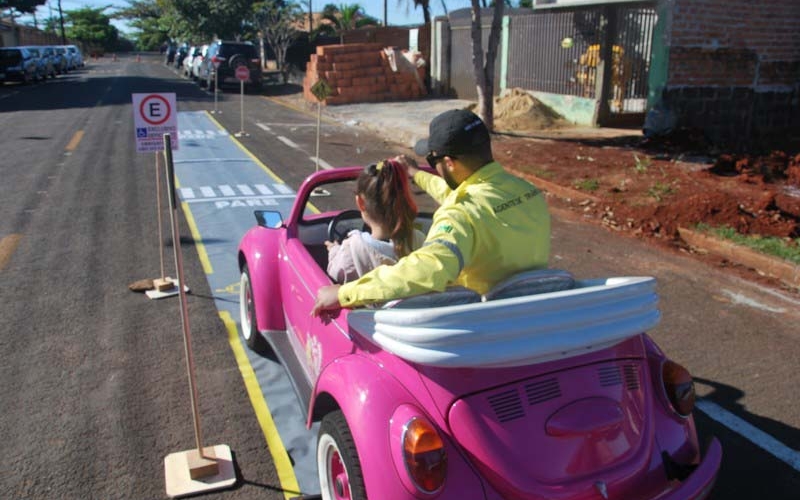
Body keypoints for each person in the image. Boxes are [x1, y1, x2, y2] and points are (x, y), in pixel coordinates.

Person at [312, 109, 550, 316]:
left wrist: (345, 293)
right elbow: (465, 195)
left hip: (481, 320)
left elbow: (427, 269)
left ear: (448, 163)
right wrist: (417, 174)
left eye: (432, 159)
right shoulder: (528, 191)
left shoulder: (459, 215)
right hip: (527, 309)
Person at [326, 159, 426, 283]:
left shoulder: (352, 250)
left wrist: (334, 251)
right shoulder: (421, 241)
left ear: (360, 203)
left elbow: (336, 274)